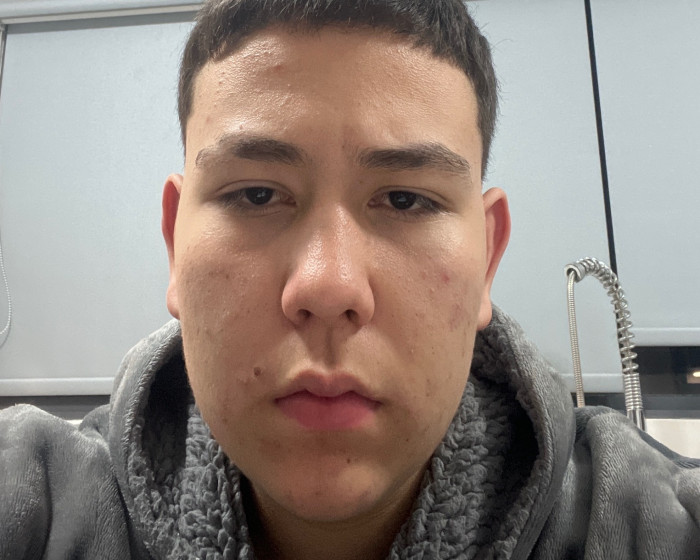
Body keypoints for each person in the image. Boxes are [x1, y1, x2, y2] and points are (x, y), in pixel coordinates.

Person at [1, 0, 699, 558]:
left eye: (405, 200)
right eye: (256, 194)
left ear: (487, 259)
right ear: (174, 244)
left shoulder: (652, 526)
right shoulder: (39, 502)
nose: (328, 287)